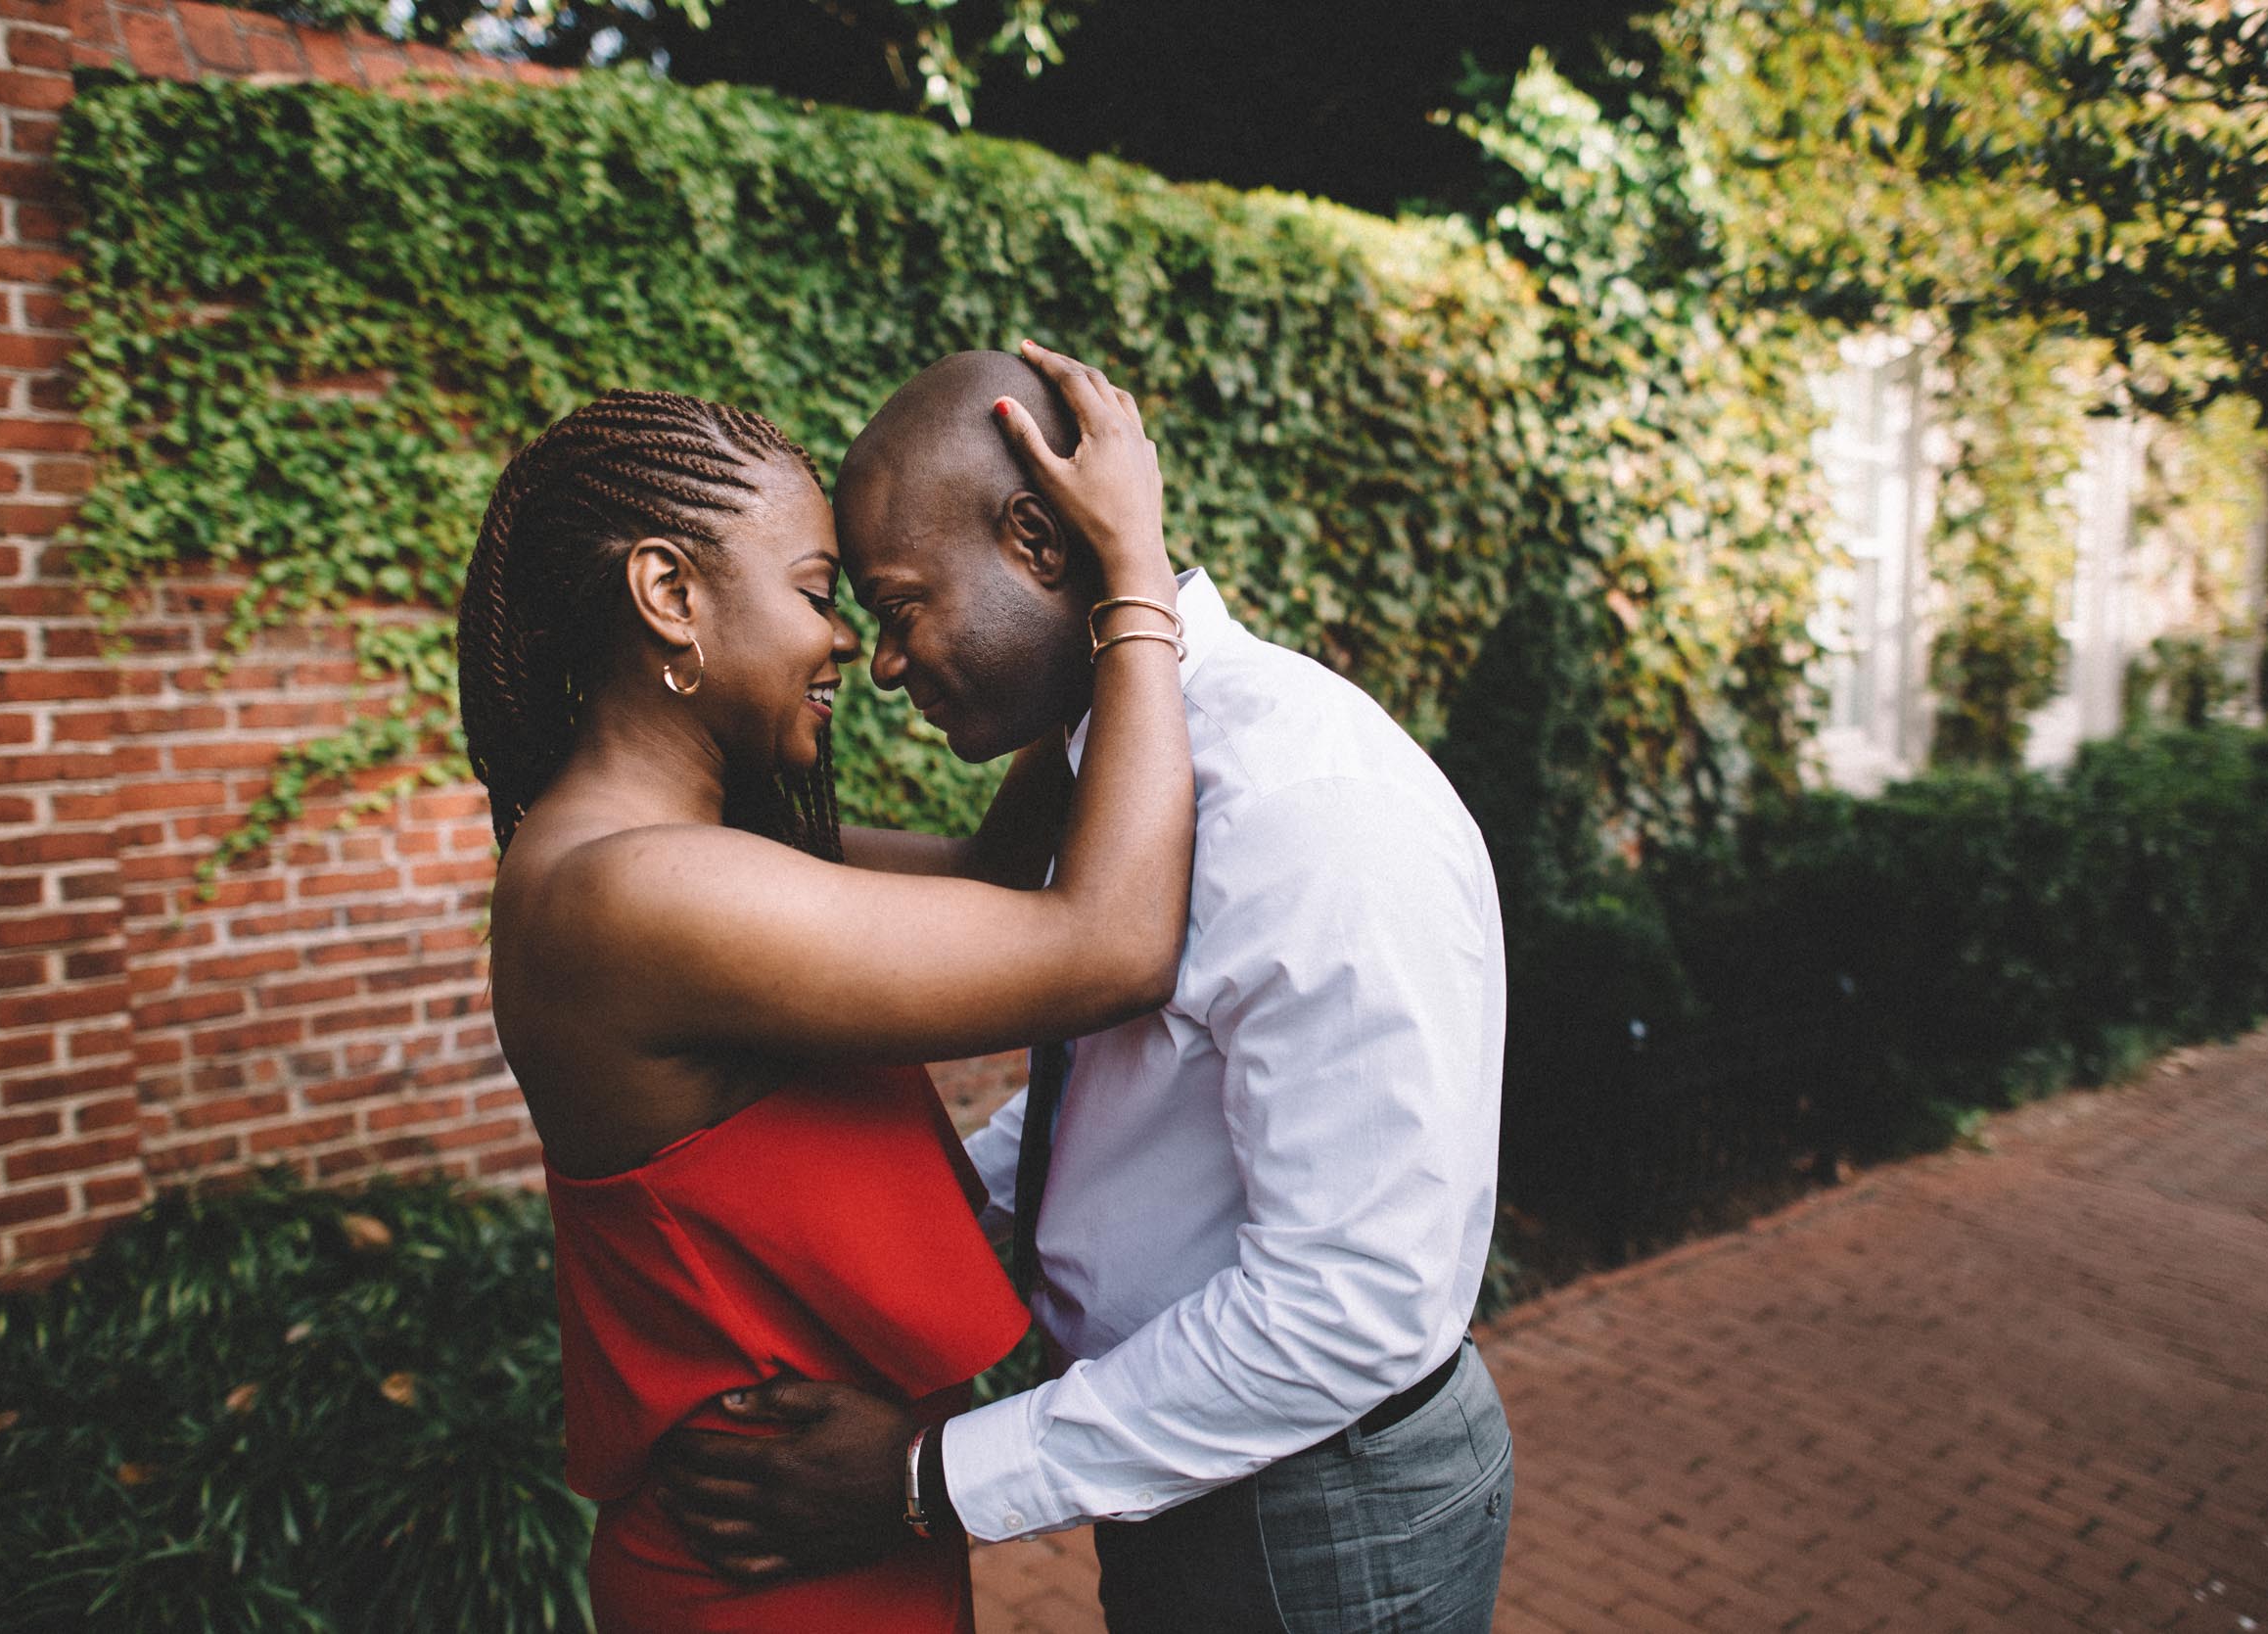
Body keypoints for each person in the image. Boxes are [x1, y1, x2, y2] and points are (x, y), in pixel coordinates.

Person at [656, 350, 1514, 1632]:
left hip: (1313, 1507)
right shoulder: (1118, 774)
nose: (886, 666)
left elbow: (1352, 1304)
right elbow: (1120, 1113)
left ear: (1037, 539)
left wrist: (924, 1479)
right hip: (1185, 1468)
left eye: (902, 606)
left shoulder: (1301, 806)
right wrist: (908, 1239)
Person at [459, 344, 1193, 1633]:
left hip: (820, 1532)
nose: (847, 637)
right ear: (669, 593)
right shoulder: (636, 894)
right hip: (770, 1582)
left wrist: (1058, 625)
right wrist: (1136, 573)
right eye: (813, 590)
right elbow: (1106, 943)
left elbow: (993, 871)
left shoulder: (674, 856)